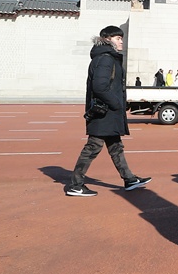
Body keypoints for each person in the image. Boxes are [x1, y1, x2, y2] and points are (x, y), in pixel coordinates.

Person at [65, 26, 152, 197]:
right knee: (93, 147)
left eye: (122, 38)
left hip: (107, 112)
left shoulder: (107, 57)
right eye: (118, 38)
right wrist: (116, 104)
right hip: (103, 112)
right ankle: (76, 185)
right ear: (107, 38)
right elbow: (100, 87)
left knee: (116, 147)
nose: (121, 41)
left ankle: (129, 179)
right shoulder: (106, 59)